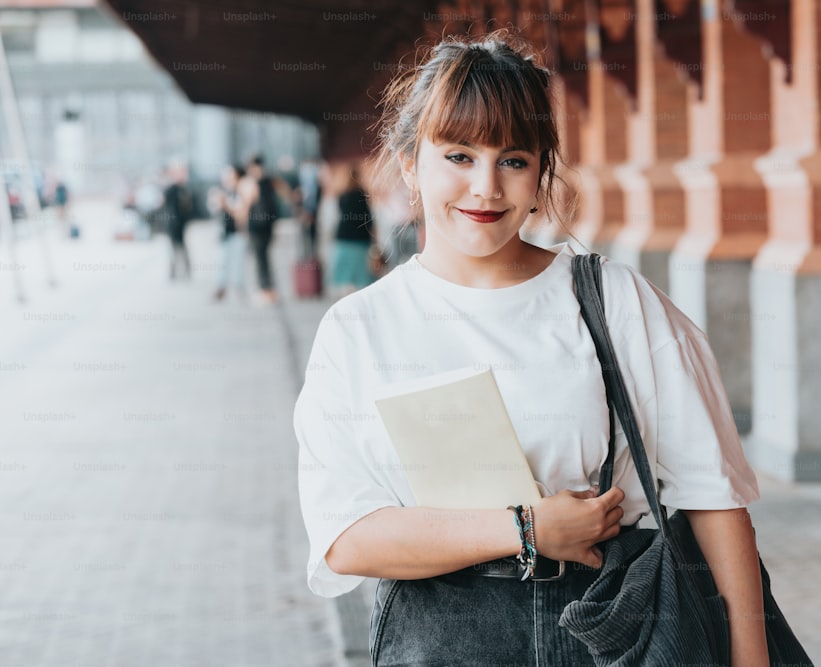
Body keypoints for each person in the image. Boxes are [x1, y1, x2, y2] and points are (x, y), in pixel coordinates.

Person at [293, 31, 769, 666]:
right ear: (410, 163)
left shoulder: (613, 300)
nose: (486, 188)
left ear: (542, 169)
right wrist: (529, 528)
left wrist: (751, 656)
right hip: (439, 640)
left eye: (512, 159)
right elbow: (343, 539)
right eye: (458, 156)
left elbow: (714, 497)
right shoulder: (360, 328)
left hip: (611, 629)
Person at [326, 163, 378, 298]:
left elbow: (334, 216)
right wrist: (375, 237)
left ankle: (347, 295)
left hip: (343, 236)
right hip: (360, 237)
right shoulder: (361, 194)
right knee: (361, 269)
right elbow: (368, 218)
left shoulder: (341, 195)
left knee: (345, 269)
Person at [244, 155, 279, 304]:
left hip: (258, 227)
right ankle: (267, 289)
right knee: (263, 258)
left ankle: (265, 290)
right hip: (265, 226)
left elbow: (246, 206)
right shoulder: (270, 182)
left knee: (261, 259)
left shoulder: (255, 184)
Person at [212, 164, 248, 301]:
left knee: (238, 262)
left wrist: (225, 204)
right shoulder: (222, 192)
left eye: (230, 176)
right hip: (224, 233)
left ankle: (239, 289)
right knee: (222, 261)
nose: (226, 179)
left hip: (238, 233)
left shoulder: (241, 191)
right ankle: (221, 288)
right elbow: (215, 210)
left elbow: (240, 214)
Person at [163, 162, 194, 281]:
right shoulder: (171, 189)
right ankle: (173, 272)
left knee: (182, 248)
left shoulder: (185, 189)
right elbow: (164, 201)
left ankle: (186, 271)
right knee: (173, 249)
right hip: (172, 224)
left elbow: (188, 207)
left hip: (181, 224)